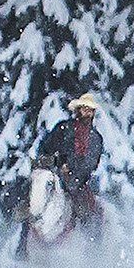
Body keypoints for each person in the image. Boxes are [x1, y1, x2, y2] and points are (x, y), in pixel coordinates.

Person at [35, 93, 106, 235]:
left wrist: (75, 173)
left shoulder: (96, 138)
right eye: (85, 109)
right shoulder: (63, 129)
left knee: (90, 212)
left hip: (79, 181)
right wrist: (58, 163)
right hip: (56, 175)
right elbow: (46, 149)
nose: (88, 113)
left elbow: (92, 163)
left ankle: (90, 244)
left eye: (90, 110)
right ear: (78, 110)